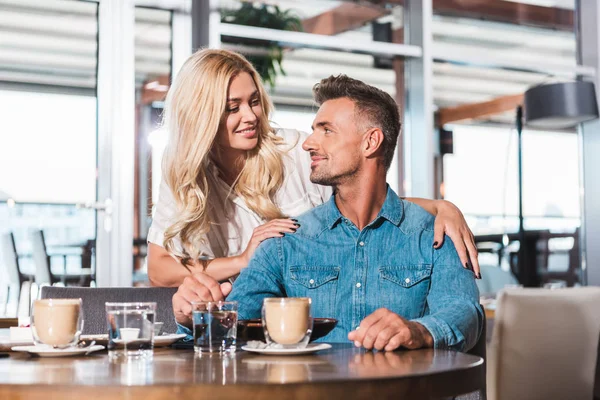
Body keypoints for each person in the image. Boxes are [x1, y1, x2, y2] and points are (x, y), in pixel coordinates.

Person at [172, 75, 482, 352]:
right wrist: (193, 316)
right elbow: (234, 328)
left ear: (371, 142)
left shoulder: (434, 234)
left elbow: (464, 312)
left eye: (326, 130)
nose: (308, 143)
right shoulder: (284, 241)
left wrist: (418, 331)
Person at [148, 49, 480, 288]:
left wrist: (439, 207)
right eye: (232, 108)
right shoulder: (184, 172)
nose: (250, 116)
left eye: (254, 101)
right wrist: (240, 261)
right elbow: (159, 268)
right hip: (239, 317)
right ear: (201, 117)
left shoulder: (294, 150)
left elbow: (368, 201)